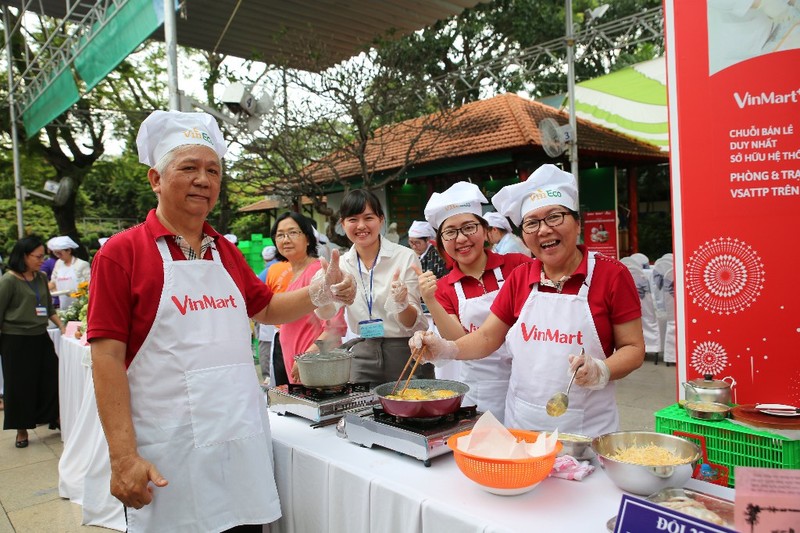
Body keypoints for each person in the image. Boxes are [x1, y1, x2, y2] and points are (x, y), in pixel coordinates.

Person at [87, 110, 355, 532]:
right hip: (170, 449)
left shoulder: (222, 251)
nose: (204, 179)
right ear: (155, 179)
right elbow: (105, 359)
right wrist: (122, 457)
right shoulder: (122, 254)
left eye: (213, 170)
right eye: (189, 168)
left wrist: (322, 289)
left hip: (239, 440)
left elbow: (265, 308)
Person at [410, 164, 644, 437]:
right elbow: (487, 338)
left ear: (578, 222)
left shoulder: (611, 274)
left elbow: (634, 348)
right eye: (531, 223)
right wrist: (445, 349)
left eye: (555, 217)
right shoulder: (521, 277)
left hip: (585, 430)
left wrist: (602, 369)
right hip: (521, 424)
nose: (543, 230)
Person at [415, 183, 533, 422]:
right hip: (481, 390)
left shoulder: (518, 265)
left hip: (529, 382)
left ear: (486, 231)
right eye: (450, 232)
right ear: (441, 241)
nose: (461, 238)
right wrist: (430, 299)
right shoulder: (445, 287)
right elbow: (457, 340)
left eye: (469, 227)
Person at [338, 189, 433, 386]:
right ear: (343, 224)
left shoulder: (405, 257)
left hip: (404, 349)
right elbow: (326, 313)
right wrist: (326, 291)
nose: (361, 226)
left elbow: (412, 323)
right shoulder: (342, 264)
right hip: (363, 350)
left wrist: (402, 303)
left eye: (368, 218)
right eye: (353, 219)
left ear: (381, 220)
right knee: (360, 410)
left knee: (410, 409)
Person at [0, 236, 65, 449]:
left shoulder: (41, 277)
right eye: (37, 256)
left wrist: (62, 327)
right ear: (23, 256)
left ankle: (54, 418)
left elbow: (48, 308)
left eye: (42, 256)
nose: (41, 260)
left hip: (40, 336)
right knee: (19, 385)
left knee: (51, 376)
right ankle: (21, 429)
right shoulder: (8, 281)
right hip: (16, 340)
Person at [269, 212, 347, 383]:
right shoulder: (294, 274)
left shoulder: (317, 273)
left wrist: (308, 358)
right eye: (280, 235)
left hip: (317, 372)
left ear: (308, 239)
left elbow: (335, 329)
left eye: (293, 232)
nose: (286, 239)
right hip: (302, 373)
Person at [47, 236, 91, 310]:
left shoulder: (82, 264)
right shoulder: (58, 263)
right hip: (63, 304)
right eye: (55, 253)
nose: (58, 256)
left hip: (80, 304)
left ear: (69, 251)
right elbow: (53, 282)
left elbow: (90, 284)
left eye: (60, 253)